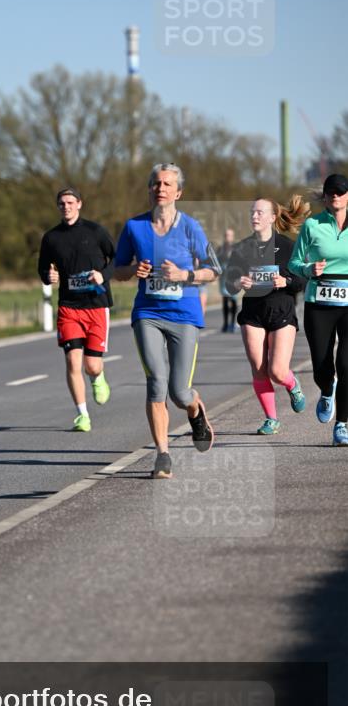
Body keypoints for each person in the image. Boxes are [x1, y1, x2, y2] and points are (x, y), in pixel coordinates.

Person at [114, 163, 220, 478]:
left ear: (179, 192)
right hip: (147, 313)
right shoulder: (134, 227)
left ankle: (195, 409)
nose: (161, 188)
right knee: (156, 382)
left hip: (185, 314)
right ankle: (162, 455)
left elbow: (213, 269)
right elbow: (117, 272)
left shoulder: (191, 228)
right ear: (150, 189)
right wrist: (134, 270)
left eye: (167, 184)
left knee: (179, 391)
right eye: (156, 183)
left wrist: (185, 275)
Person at [224, 197, 309, 435]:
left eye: (260, 212)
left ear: (273, 218)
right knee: (259, 369)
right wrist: (237, 281)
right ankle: (271, 419)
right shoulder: (242, 248)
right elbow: (229, 284)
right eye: (252, 212)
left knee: (278, 371)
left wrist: (286, 281)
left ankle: (292, 384)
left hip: (281, 311)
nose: (255, 216)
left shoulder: (288, 246)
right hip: (252, 313)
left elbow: (303, 280)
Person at [38, 188, 115, 432]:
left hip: (96, 305)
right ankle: (82, 415)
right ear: (57, 206)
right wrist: (48, 276)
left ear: (79, 204)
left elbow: (117, 259)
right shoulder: (51, 238)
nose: (66, 207)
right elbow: (42, 269)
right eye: (62, 203)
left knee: (91, 365)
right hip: (69, 307)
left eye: (70, 202)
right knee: (73, 362)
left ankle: (97, 377)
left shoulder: (95, 231)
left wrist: (102, 275)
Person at [289, 173, 348, 447]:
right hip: (319, 301)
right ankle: (326, 389)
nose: (335, 195)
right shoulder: (313, 225)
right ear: (324, 196)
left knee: (346, 365)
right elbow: (294, 262)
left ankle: (343, 425)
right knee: (322, 365)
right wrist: (308, 269)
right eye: (331, 191)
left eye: (340, 191)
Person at [216, 228, 238, 332]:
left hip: (233, 277)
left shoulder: (236, 248)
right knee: (225, 300)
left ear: (232, 237)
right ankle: (225, 324)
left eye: (229, 235)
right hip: (224, 277)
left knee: (233, 300)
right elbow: (216, 262)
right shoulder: (220, 249)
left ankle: (232, 323)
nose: (227, 237)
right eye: (226, 235)